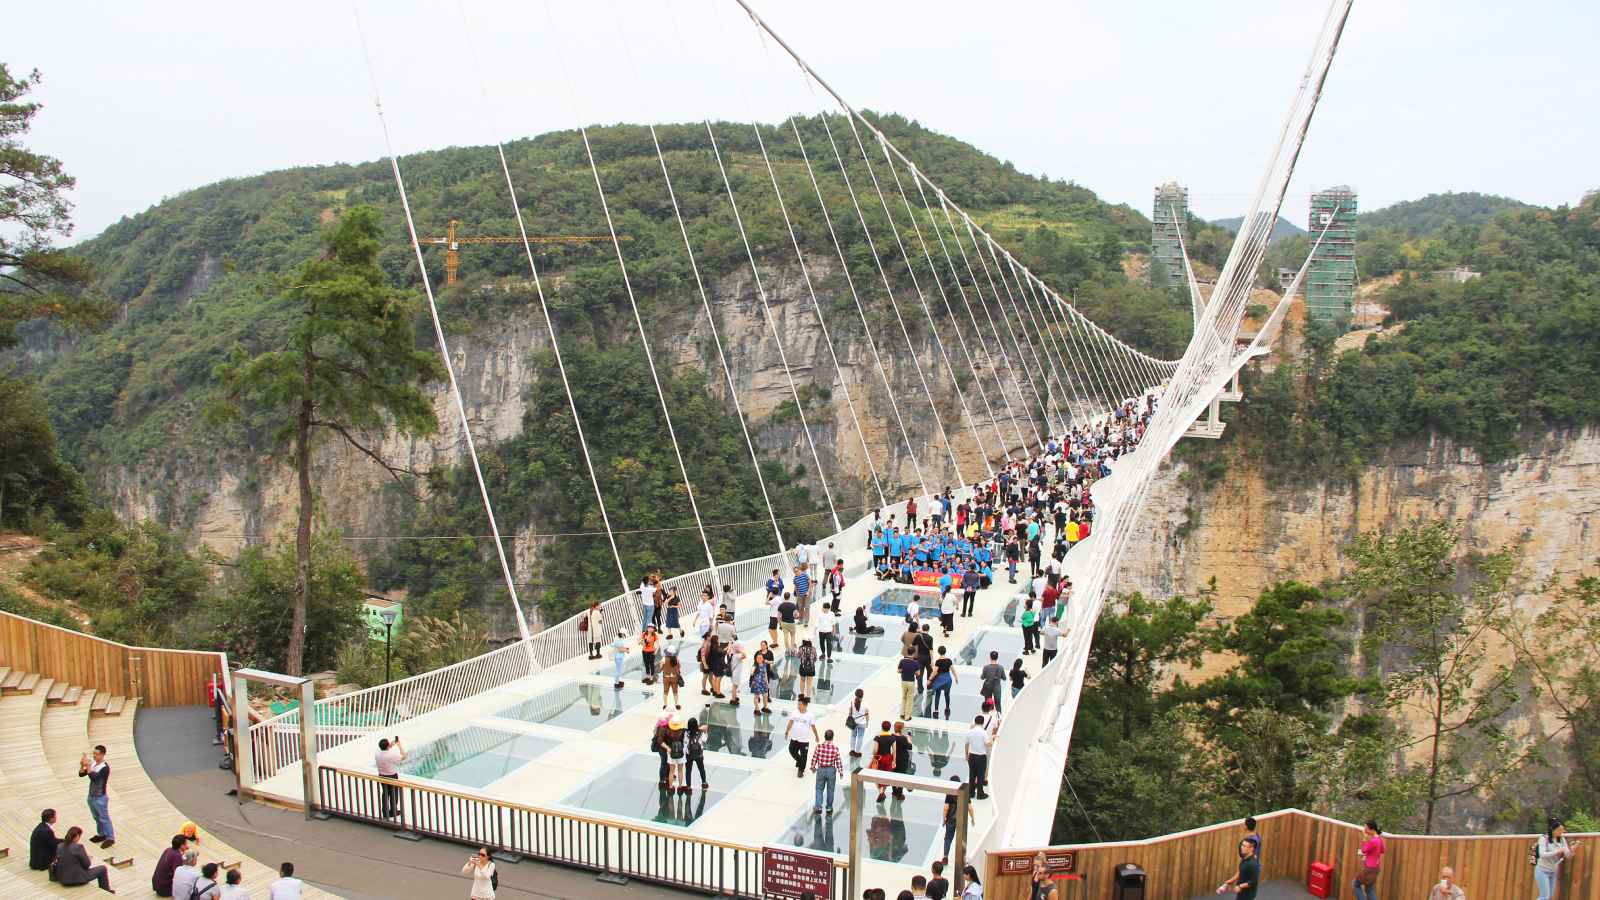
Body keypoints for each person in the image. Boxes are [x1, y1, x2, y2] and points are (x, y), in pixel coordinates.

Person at [78, 744, 115, 848]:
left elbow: (94, 778)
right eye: (93, 753)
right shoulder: (93, 764)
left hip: (100, 797)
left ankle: (110, 838)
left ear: (102, 754)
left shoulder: (104, 768)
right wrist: (82, 765)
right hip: (92, 796)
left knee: (104, 818)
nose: (94, 756)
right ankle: (101, 834)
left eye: (96, 754)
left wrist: (88, 766)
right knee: (96, 817)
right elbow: (81, 774)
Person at [55, 826, 112, 893]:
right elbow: (87, 864)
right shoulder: (78, 847)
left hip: (63, 878)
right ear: (77, 836)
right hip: (77, 879)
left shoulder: (59, 846)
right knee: (103, 868)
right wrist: (87, 857)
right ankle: (106, 890)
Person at [1536, 817, 1576, 900]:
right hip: (1542, 870)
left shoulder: (1562, 839)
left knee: (1550, 897)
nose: (1562, 832)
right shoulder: (1543, 838)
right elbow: (1541, 854)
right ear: (1552, 829)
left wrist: (1572, 850)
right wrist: (1557, 851)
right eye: (1559, 830)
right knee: (1544, 897)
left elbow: (1568, 856)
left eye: (1563, 830)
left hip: (1553, 871)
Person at [940, 778, 974, 865]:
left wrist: (944, 819)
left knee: (948, 838)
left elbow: (946, 808)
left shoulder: (950, 793)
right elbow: (969, 807)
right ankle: (961, 859)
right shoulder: (964, 792)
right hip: (961, 820)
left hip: (951, 819)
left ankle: (945, 856)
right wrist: (973, 818)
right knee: (961, 839)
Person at [785, 696, 819, 777]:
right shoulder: (794, 712)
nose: (798, 706)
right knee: (791, 751)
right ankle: (799, 761)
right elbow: (790, 722)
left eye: (799, 704)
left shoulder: (810, 715)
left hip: (804, 740)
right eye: (798, 704)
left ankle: (801, 770)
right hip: (794, 738)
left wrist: (816, 736)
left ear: (804, 705)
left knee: (804, 756)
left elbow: (813, 727)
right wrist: (787, 731)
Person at [811, 728, 842, 813]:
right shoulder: (835, 748)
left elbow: (814, 758)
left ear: (824, 737)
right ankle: (829, 807)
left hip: (821, 769)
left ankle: (818, 807)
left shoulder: (819, 747)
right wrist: (840, 771)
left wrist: (813, 767)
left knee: (819, 788)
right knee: (830, 789)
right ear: (832, 738)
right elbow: (838, 760)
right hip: (831, 770)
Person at [375, 736, 406, 818]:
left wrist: (392, 744)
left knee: (385, 793)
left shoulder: (377, 753)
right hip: (392, 776)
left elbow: (385, 749)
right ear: (388, 746)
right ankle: (393, 811)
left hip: (381, 775)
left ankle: (385, 812)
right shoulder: (391, 755)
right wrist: (399, 745)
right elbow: (404, 756)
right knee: (393, 794)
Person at [1353, 820, 1384, 900]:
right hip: (1376, 868)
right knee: (1369, 889)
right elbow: (1382, 850)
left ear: (1372, 829)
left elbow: (1363, 850)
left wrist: (1365, 838)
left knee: (1355, 884)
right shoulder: (1379, 839)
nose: (1364, 830)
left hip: (1368, 869)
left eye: (1366, 828)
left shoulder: (1373, 841)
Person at [964, 715, 991, 800]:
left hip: (972, 755)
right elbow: (988, 744)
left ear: (975, 722)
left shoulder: (970, 732)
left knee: (972, 775)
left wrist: (966, 754)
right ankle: (980, 793)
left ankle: (971, 793)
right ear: (982, 723)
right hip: (981, 756)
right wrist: (993, 740)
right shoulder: (983, 732)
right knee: (980, 776)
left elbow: (966, 744)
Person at [871, 720, 898, 802]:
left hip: (879, 758)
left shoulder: (878, 737)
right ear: (889, 728)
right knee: (886, 776)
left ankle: (881, 793)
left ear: (882, 727)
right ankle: (882, 793)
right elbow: (894, 751)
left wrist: (874, 756)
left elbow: (875, 749)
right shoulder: (892, 738)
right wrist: (894, 761)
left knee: (876, 775)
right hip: (888, 758)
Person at [929, 647, 956, 719]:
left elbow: (935, 672)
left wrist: (930, 679)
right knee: (947, 694)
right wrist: (956, 677)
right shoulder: (949, 661)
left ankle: (936, 709)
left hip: (939, 679)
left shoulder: (938, 661)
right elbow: (953, 670)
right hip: (947, 679)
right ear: (945, 651)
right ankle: (947, 708)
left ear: (938, 652)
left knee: (938, 694)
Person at [685, 716, 709, 791]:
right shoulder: (701, 733)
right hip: (699, 755)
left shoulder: (686, 733)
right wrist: (705, 731)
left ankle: (688, 786)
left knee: (688, 770)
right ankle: (704, 782)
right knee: (701, 769)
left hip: (689, 755)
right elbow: (705, 740)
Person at [846, 688, 871, 757]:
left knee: (853, 736)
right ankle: (857, 751)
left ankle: (852, 750)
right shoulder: (865, 704)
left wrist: (850, 719)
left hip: (853, 722)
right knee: (860, 737)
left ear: (855, 695)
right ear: (862, 695)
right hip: (862, 723)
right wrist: (867, 723)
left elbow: (850, 713)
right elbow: (867, 715)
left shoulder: (852, 702)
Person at [898, 649, 921, 720]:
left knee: (904, 697)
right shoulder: (915, 663)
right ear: (913, 653)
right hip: (911, 682)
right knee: (910, 699)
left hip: (903, 681)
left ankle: (902, 714)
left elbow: (899, 670)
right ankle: (907, 716)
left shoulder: (902, 661)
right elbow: (918, 673)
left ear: (907, 652)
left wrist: (905, 669)